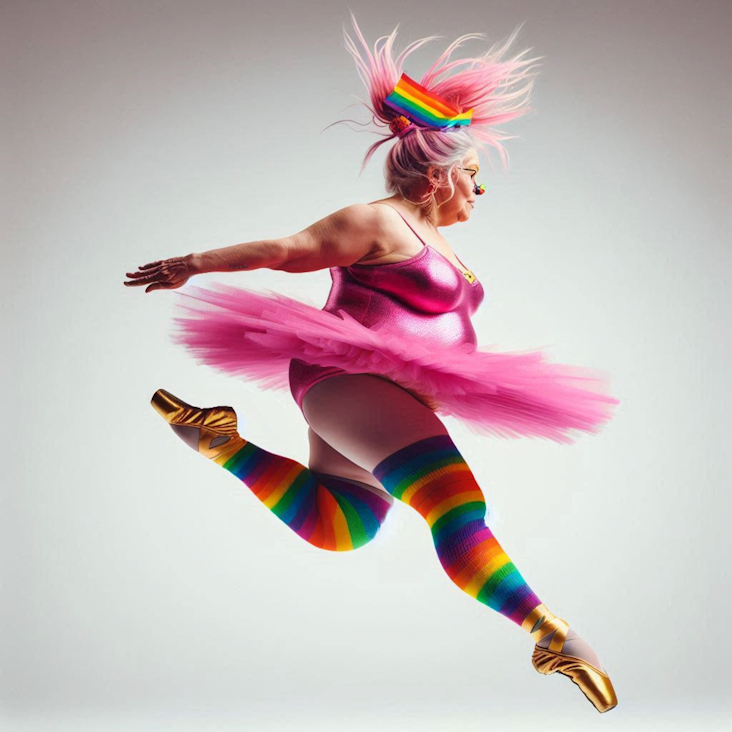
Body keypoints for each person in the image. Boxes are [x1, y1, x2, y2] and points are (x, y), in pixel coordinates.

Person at [124, 14, 618, 713]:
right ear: (439, 173)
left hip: (383, 396)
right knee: (456, 505)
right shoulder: (381, 220)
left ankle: (222, 442)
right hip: (351, 377)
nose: (480, 190)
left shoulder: (442, 243)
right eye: (472, 175)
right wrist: (193, 264)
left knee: (342, 524)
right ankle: (550, 632)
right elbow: (289, 250)